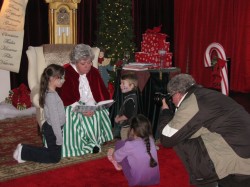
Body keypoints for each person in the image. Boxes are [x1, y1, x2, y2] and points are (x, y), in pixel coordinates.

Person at [158, 73, 250, 187]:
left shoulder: (191, 102)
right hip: (242, 146)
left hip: (241, 159)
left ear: (176, 94)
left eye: (171, 96)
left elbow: (166, 139)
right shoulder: (207, 94)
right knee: (187, 133)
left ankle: (208, 182)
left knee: (181, 140)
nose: (172, 100)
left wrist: (166, 112)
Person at [57, 44, 113, 156]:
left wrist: (91, 105)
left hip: (89, 103)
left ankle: (94, 141)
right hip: (71, 105)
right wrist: (82, 110)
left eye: (89, 62)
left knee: (98, 113)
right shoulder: (66, 72)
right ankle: (79, 145)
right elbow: (66, 97)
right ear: (75, 62)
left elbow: (98, 93)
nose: (87, 66)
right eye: (83, 64)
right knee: (73, 117)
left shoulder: (94, 72)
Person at [13, 64, 66, 163]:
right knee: (54, 158)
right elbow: (54, 119)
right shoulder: (51, 97)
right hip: (52, 130)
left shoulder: (51, 92)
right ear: (51, 78)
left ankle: (23, 149)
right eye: (60, 77)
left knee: (52, 153)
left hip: (51, 128)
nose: (63, 80)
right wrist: (59, 138)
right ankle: (23, 152)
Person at [108, 114, 160, 186]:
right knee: (127, 144)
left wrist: (113, 152)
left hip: (136, 181)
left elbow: (116, 157)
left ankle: (118, 164)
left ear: (132, 129)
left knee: (119, 144)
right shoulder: (151, 140)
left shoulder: (130, 145)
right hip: (154, 179)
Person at [114, 73, 138, 140]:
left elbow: (127, 115)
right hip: (130, 125)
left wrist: (118, 119)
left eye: (123, 83)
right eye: (121, 83)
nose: (120, 85)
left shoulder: (130, 99)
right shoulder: (130, 96)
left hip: (127, 126)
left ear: (131, 86)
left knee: (125, 140)